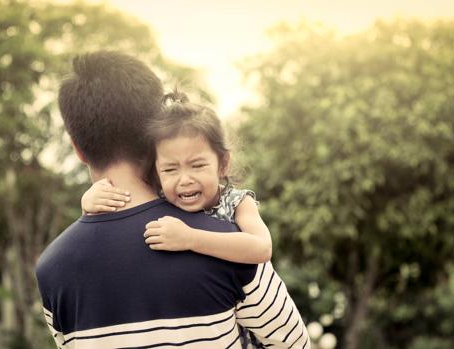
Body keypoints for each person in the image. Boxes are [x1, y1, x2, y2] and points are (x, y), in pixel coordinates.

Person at [35, 50, 310, 349]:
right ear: (152, 138)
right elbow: (294, 344)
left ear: (77, 148)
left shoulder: (52, 269)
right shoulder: (227, 245)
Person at [81, 91, 272, 265]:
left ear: (223, 164)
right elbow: (117, 219)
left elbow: (262, 248)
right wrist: (88, 204)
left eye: (197, 166)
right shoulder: (159, 199)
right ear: (156, 171)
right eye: (170, 169)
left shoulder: (238, 203)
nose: (185, 179)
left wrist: (191, 238)